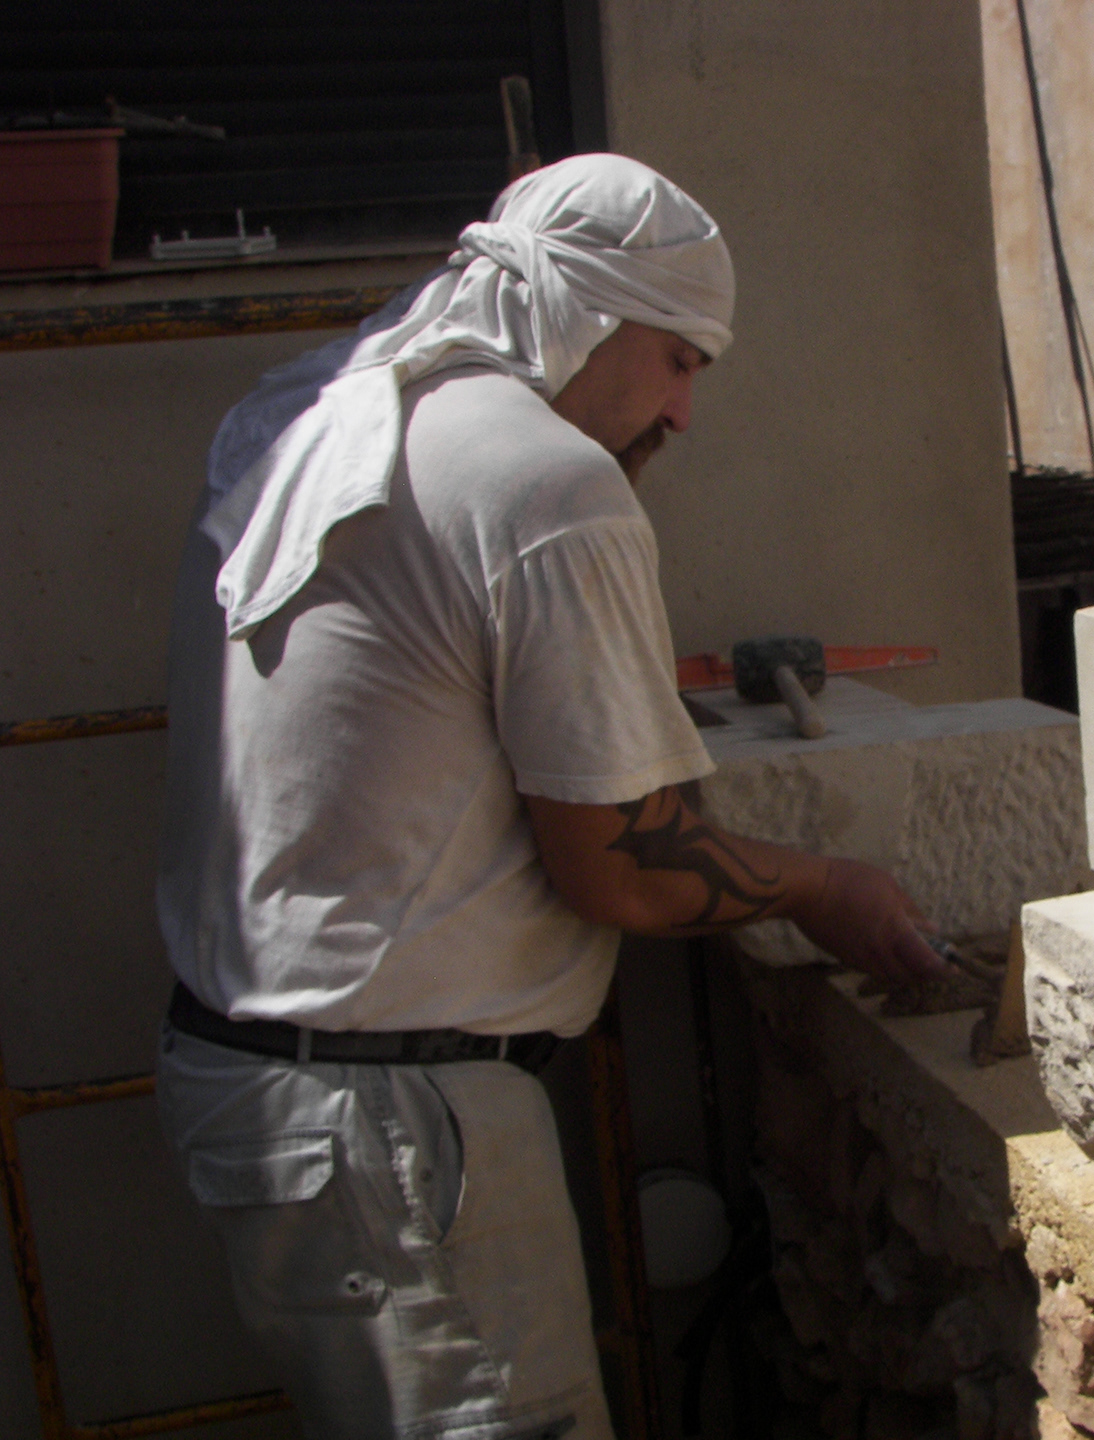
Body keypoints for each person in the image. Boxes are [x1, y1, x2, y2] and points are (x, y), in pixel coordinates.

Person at [153, 154, 947, 1440]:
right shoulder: (544, 480)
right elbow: (625, 865)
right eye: (678, 359)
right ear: (578, 312)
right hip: (390, 1128)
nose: (684, 412)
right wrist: (825, 887)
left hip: (268, 1101)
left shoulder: (318, 407)